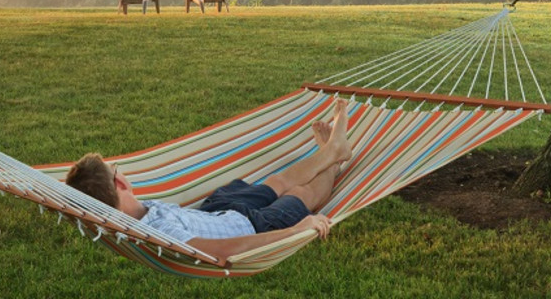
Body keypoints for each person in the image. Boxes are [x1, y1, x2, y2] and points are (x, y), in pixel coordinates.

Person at [65, 98, 352, 261]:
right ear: (120, 184)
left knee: (277, 180)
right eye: (116, 169)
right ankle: (333, 161)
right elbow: (224, 250)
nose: (121, 171)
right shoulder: (161, 233)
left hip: (215, 210)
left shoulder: (136, 210)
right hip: (250, 227)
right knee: (302, 194)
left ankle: (328, 153)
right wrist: (295, 231)